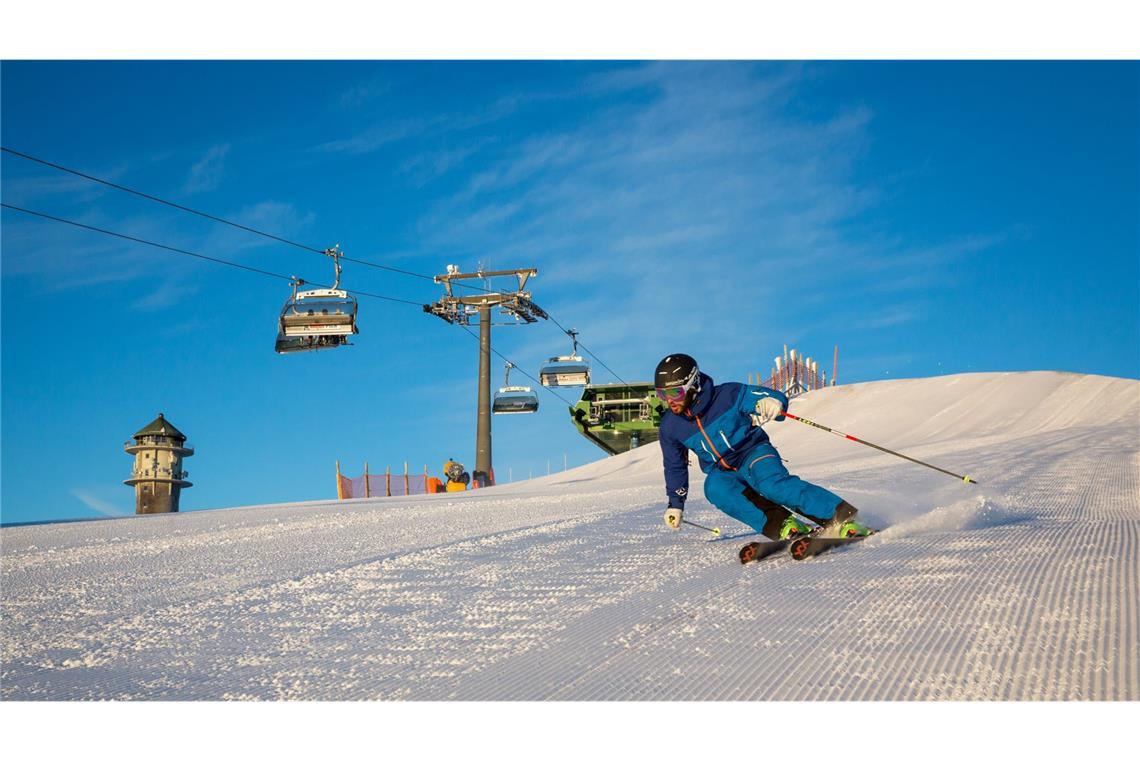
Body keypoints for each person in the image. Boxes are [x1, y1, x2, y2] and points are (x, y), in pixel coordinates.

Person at [655, 353, 871, 541]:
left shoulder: (728, 395)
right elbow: (675, 466)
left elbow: (767, 397)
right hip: (722, 469)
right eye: (663, 394)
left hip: (753, 452)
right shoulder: (670, 426)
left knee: (772, 486)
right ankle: (784, 525)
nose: (669, 401)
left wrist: (772, 402)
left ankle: (843, 518)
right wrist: (675, 503)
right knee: (715, 488)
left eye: (675, 393)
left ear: (693, 385)